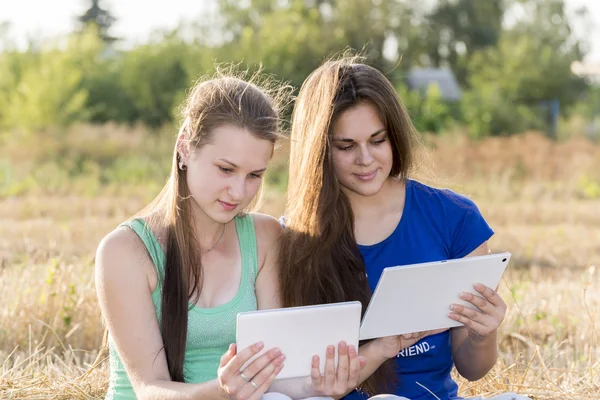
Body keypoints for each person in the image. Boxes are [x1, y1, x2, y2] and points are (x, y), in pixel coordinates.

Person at [94, 72, 363, 400]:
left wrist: (321, 386)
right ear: (184, 148)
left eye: (254, 175)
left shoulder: (265, 237)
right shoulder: (125, 251)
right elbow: (148, 389)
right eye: (226, 169)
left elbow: (276, 375)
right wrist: (222, 390)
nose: (239, 191)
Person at [279, 56, 531, 400]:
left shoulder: (454, 217)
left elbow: (473, 369)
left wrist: (482, 334)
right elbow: (295, 380)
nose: (365, 159)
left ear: (394, 136)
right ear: (318, 152)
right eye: (346, 146)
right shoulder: (292, 238)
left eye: (378, 140)